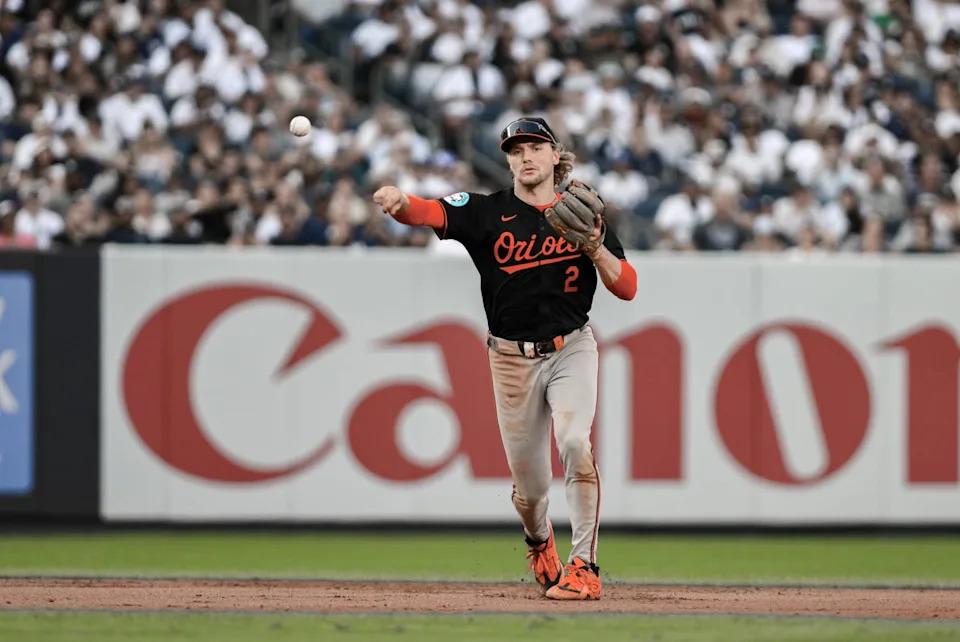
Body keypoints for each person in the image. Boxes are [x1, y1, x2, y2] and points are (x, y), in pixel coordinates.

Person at [373, 117, 637, 601]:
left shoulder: (582, 212)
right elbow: (428, 211)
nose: (526, 156)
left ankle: (585, 566)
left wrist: (596, 248)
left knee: (576, 442)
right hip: (510, 359)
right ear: (508, 160)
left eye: (536, 147)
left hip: (571, 346)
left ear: (556, 155)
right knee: (531, 489)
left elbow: (628, 287)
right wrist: (398, 201)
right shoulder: (487, 212)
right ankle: (539, 541)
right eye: (516, 150)